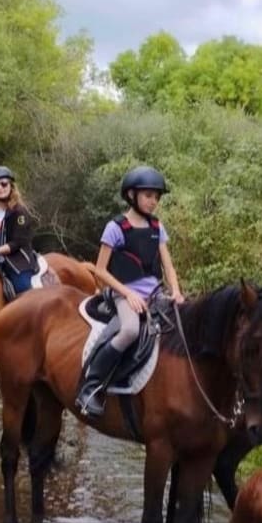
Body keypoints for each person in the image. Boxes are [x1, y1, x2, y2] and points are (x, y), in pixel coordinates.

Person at [74, 165, 186, 418]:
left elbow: (167, 264)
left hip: (155, 294)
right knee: (130, 330)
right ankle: (91, 386)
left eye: (156, 197)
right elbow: (101, 270)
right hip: (123, 294)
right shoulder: (116, 228)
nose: (153, 201)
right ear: (132, 195)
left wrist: (176, 292)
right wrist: (128, 294)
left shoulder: (157, 227)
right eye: (148, 195)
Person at [0, 166, 39, 298]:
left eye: (4, 184)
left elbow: (16, 243)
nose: (0, 188)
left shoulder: (19, 212)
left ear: (11, 186)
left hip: (16, 262)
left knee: (23, 291)